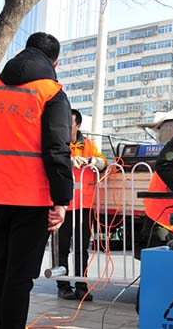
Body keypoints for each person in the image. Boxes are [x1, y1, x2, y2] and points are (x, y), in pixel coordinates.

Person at [0, 32, 73, 329]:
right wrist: (62, 200)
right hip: (33, 199)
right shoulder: (51, 92)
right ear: (55, 62)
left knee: (1, 267)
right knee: (20, 275)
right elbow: (57, 150)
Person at [56, 109, 107, 301]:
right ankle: (63, 285)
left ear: (78, 126)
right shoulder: (57, 142)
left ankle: (81, 285)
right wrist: (67, 160)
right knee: (61, 248)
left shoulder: (87, 144)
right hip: (63, 203)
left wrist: (93, 161)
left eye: (69, 124)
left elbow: (103, 161)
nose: (65, 126)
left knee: (81, 247)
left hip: (84, 205)